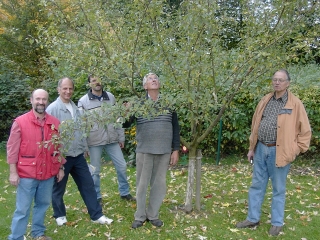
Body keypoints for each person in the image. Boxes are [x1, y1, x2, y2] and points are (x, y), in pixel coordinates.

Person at [236, 69, 312, 236]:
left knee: (278, 188)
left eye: (281, 80)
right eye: (274, 79)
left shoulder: (295, 104)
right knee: (257, 185)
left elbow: (305, 132)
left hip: (281, 152)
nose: (277, 82)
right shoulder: (265, 100)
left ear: (288, 83)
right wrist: (251, 147)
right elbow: (255, 124)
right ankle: (252, 218)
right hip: (261, 148)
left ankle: (277, 223)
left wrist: (295, 150)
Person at [46, 77, 113, 226]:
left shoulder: (75, 108)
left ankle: (97, 215)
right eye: (64, 88)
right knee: (58, 187)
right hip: (62, 157)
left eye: (70, 88)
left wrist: (84, 148)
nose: (68, 91)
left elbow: (81, 130)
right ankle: (59, 215)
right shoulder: (52, 109)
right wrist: (57, 160)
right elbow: (50, 137)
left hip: (78, 155)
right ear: (58, 90)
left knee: (87, 184)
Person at [123, 73, 180, 229]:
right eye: (150, 79)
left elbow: (175, 127)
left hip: (164, 150)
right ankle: (140, 216)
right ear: (145, 86)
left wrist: (175, 149)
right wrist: (126, 112)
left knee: (159, 184)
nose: (154, 80)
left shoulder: (169, 103)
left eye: (156, 78)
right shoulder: (139, 104)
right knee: (142, 185)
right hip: (145, 150)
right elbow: (125, 124)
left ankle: (152, 215)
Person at [7, 89, 66, 240]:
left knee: (43, 204)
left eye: (44, 99)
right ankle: (16, 237)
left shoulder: (55, 123)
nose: (41, 102)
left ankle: (38, 233)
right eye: (38, 99)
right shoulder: (20, 122)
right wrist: (13, 172)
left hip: (47, 174)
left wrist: (60, 167)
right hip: (27, 174)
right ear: (31, 100)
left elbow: (58, 148)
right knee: (23, 209)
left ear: (48, 101)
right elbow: (12, 149)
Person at [78, 75, 135, 203]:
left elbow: (118, 118)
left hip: (112, 139)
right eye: (93, 81)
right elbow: (81, 125)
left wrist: (121, 137)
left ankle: (125, 192)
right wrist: (84, 146)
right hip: (94, 141)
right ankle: (96, 196)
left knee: (122, 166)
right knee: (95, 171)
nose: (97, 83)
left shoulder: (110, 97)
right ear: (89, 84)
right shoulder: (83, 101)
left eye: (99, 80)